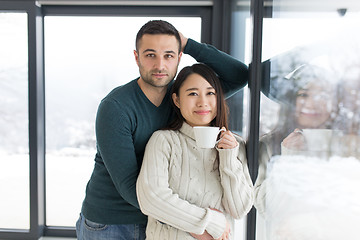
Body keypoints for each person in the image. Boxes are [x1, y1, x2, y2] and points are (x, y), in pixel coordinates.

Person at [76, 20, 249, 240]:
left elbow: (239, 75)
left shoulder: (185, 97)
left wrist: (188, 44)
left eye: (168, 55)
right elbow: (131, 186)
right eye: (150, 55)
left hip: (162, 222)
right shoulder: (116, 107)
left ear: (178, 57)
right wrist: (196, 222)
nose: (160, 65)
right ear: (137, 57)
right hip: (113, 222)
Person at [136, 63, 254, 240]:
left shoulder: (235, 144)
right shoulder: (164, 140)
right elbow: (151, 199)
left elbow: (240, 209)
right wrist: (212, 222)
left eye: (210, 93)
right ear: (177, 100)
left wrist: (228, 158)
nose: (202, 102)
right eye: (193, 94)